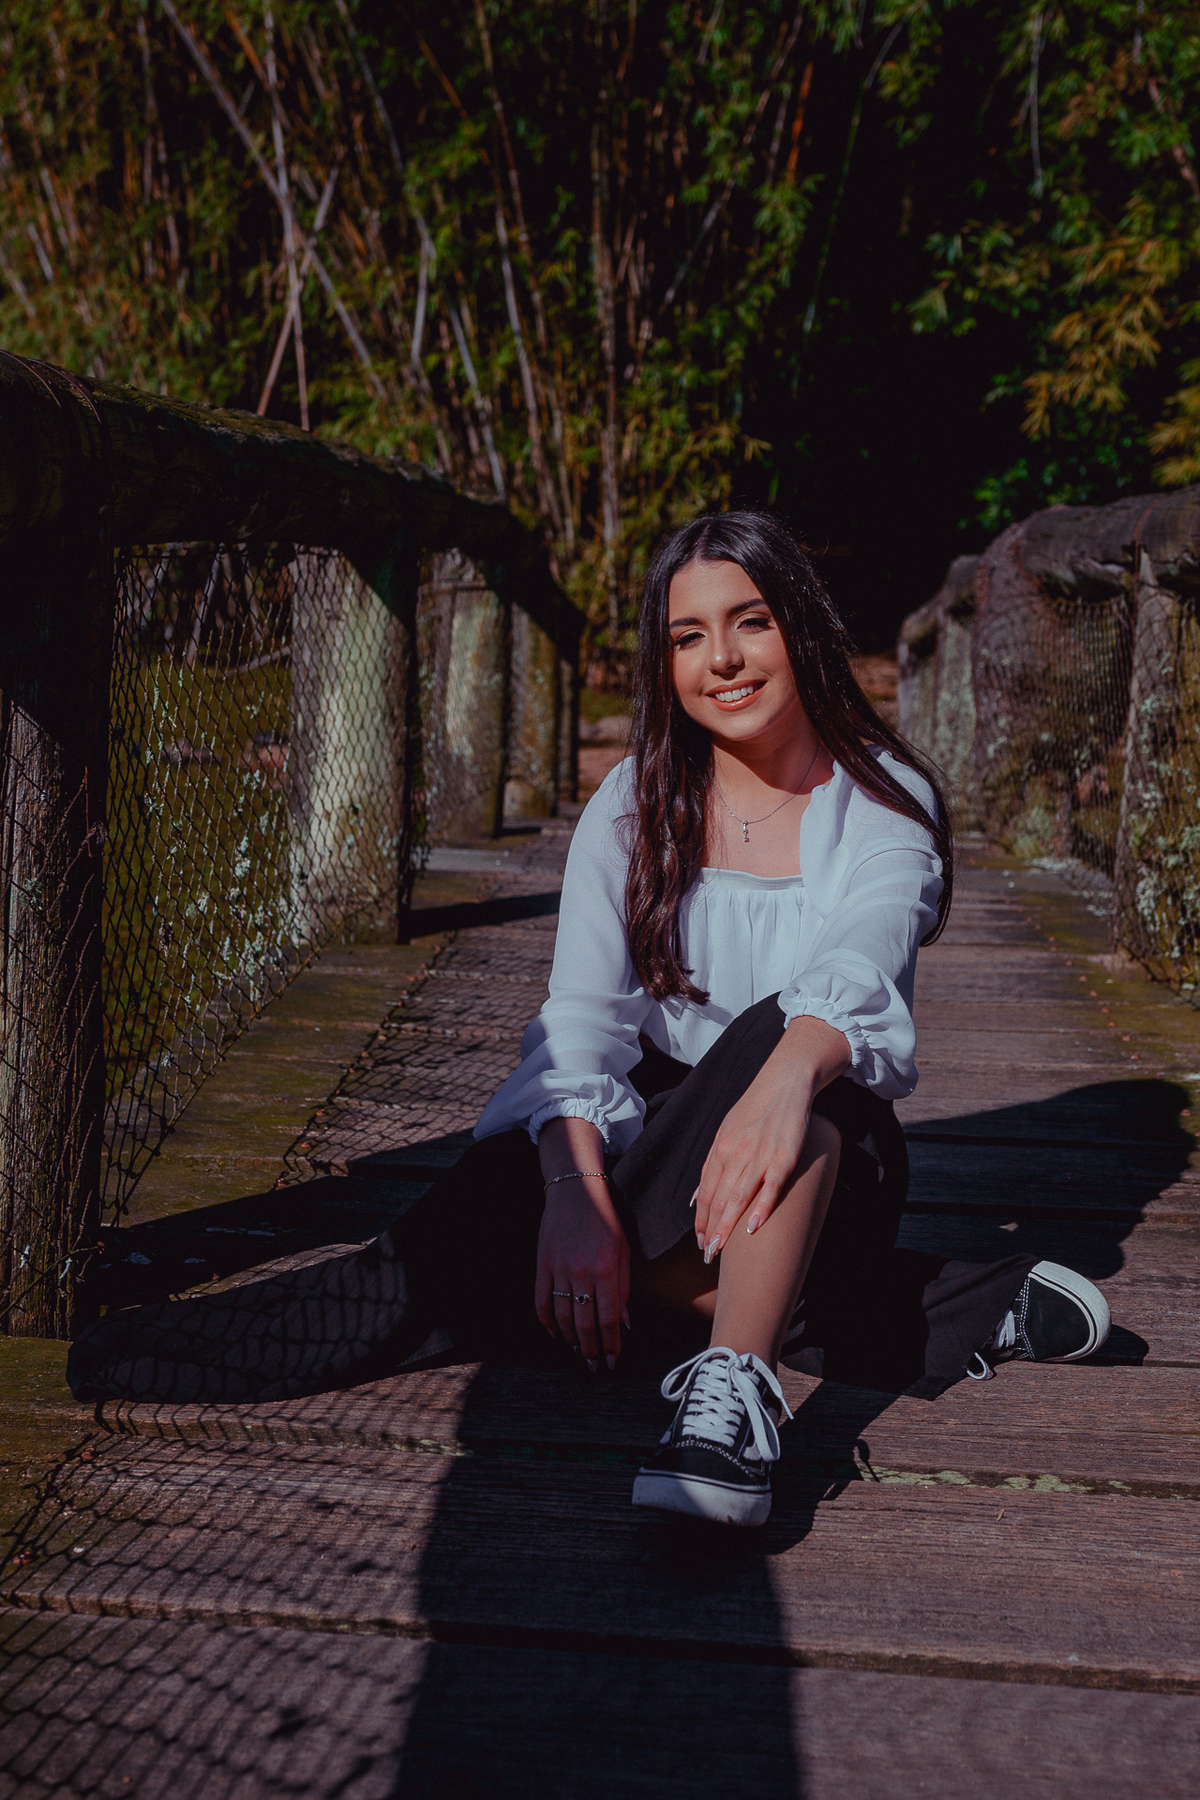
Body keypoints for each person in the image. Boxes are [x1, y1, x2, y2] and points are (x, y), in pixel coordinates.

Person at [68, 510, 1111, 1528]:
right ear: (665, 662)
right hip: (656, 1146)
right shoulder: (633, 802)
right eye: (688, 636)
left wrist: (786, 1081)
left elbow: (860, 963)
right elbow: (582, 1021)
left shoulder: (882, 804)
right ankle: (947, 1305)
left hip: (825, 1144)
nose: (724, 659)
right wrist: (573, 1193)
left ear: (800, 625)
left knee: (773, 1045)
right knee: (422, 1265)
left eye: (750, 621)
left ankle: (732, 1401)